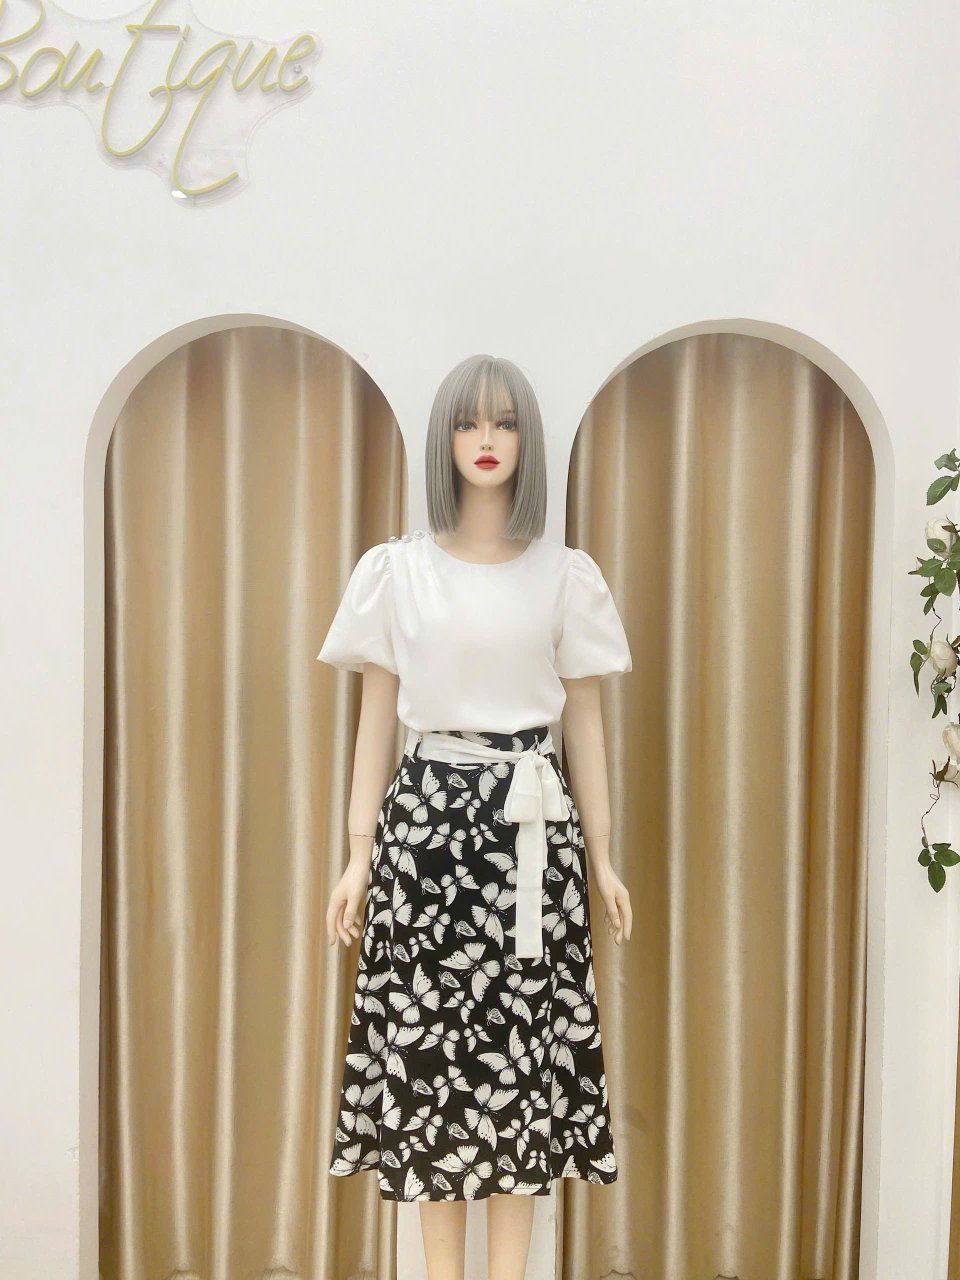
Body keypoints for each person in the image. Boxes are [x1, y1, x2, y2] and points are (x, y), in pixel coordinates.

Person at [317, 354, 633, 1280]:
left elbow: (585, 724)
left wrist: (603, 856)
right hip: (424, 836)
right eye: (468, 422)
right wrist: (357, 855)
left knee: (519, 1073)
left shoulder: (565, 576)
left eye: (504, 422)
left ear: (527, 439)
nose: (486, 440)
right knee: (431, 1076)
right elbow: (377, 721)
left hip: (534, 834)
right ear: (444, 440)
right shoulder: (397, 572)